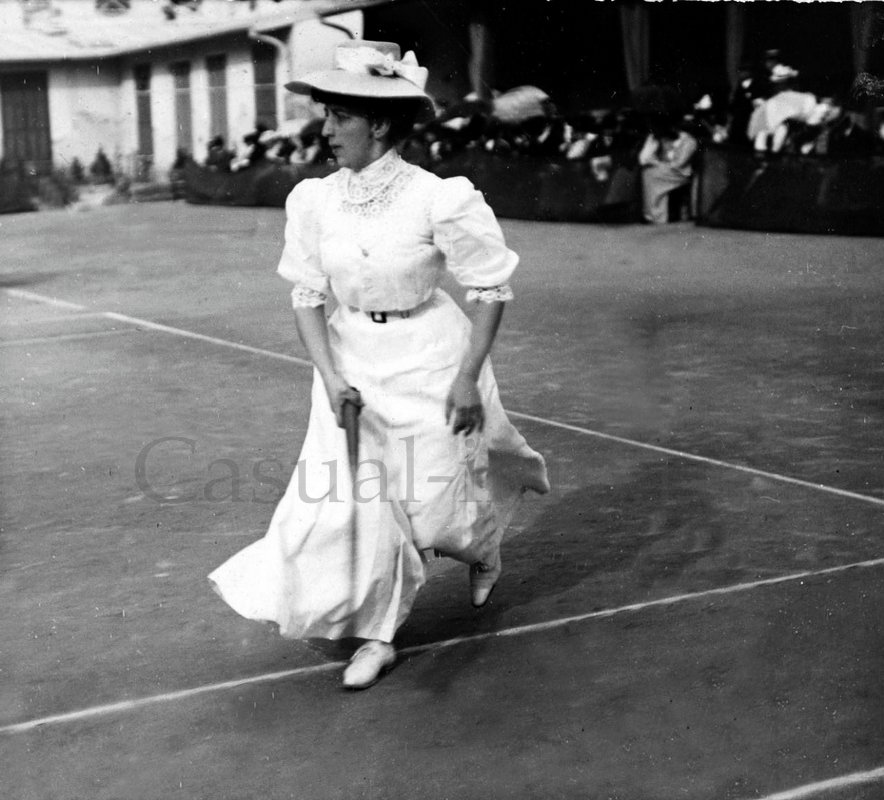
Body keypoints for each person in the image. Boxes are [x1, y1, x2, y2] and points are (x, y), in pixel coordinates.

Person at [208, 41, 550, 691]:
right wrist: (331, 376)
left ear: (382, 124)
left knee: (432, 507)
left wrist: (466, 378)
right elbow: (308, 296)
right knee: (355, 507)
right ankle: (379, 636)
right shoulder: (313, 200)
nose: (326, 129)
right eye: (327, 114)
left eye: (340, 116)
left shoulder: (438, 197)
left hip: (430, 358)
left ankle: (482, 547)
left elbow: (489, 289)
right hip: (349, 362)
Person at [637, 114, 698, 223]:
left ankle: (655, 215)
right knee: (648, 172)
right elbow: (643, 159)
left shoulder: (689, 141)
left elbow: (679, 164)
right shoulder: (658, 138)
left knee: (650, 174)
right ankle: (656, 215)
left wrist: (659, 163)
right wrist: (654, 145)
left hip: (681, 174)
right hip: (666, 170)